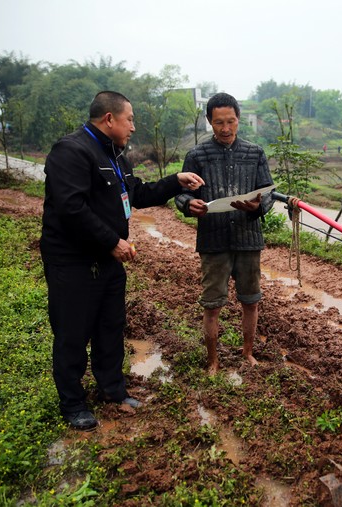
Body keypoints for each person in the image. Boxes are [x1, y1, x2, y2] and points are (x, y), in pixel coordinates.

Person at [40, 90, 204, 431]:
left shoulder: (115, 154)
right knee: (72, 332)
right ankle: (72, 404)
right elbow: (71, 207)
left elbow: (138, 194)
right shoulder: (71, 151)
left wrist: (176, 181)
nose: (133, 127)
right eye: (129, 119)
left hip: (109, 259)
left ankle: (112, 389)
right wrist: (112, 241)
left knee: (109, 327)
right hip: (73, 260)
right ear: (109, 119)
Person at [175, 92, 274, 375]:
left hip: (248, 238)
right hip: (213, 240)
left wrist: (257, 206)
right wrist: (188, 204)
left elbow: (268, 192)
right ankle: (212, 361)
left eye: (231, 121)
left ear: (239, 120)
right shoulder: (196, 155)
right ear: (209, 121)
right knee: (212, 304)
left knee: (251, 301)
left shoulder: (254, 153)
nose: (226, 128)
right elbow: (181, 195)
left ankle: (248, 353)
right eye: (219, 122)